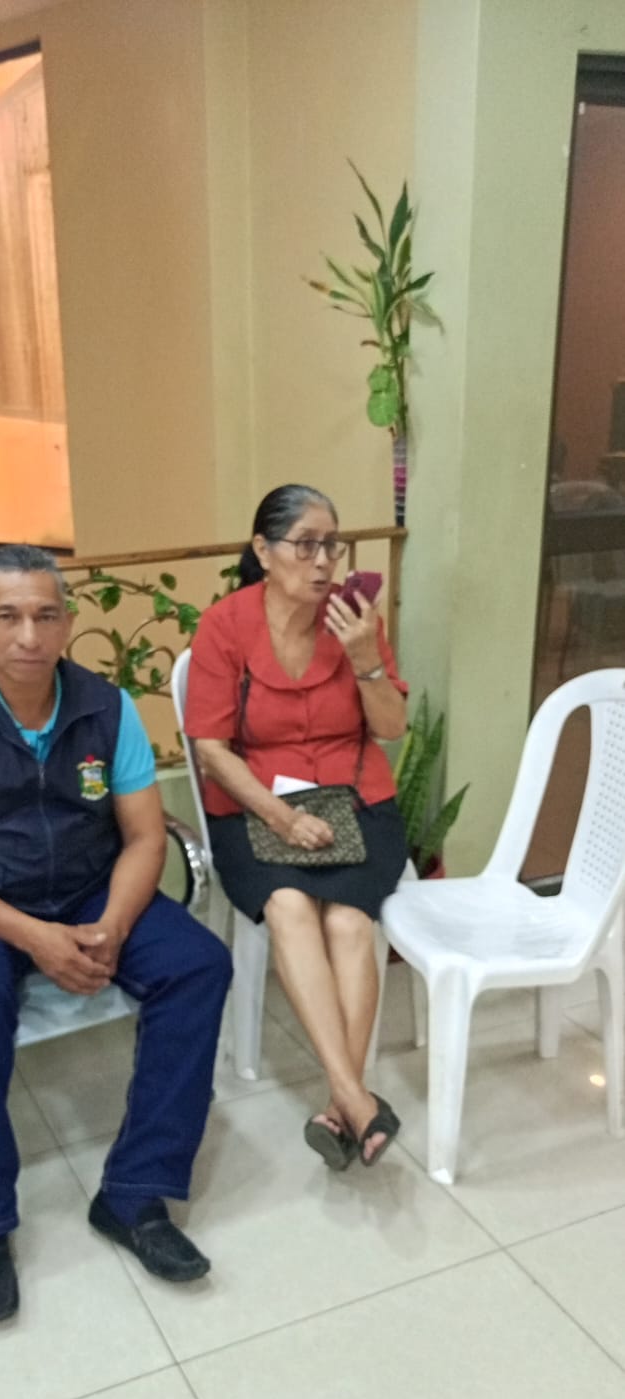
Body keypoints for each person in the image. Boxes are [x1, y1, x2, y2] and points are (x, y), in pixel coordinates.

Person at [0, 544, 232, 1322]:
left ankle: (134, 1193)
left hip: (86, 886)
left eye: (45, 615)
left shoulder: (106, 709)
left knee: (198, 964)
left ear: (67, 621)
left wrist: (110, 925)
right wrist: (34, 936)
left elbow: (143, 836)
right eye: (7, 615)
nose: (28, 635)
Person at [184, 484, 408, 1171]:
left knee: (349, 921)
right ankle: (356, 1098)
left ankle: (342, 1102)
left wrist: (366, 657)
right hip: (255, 805)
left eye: (330, 545)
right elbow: (211, 748)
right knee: (287, 903)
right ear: (263, 549)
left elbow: (391, 727)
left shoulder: (353, 621)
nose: (322, 561)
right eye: (305, 544)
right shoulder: (224, 625)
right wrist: (282, 816)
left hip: (356, 801)